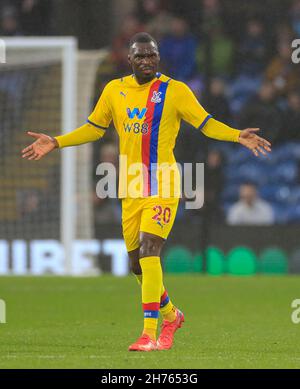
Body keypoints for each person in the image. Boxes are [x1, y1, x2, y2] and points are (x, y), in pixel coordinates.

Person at [21, 32, 271, 352]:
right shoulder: (114, 90)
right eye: (140, 56)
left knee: (149, 250)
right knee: (136, 265)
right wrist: (56, 141)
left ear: (158, 57)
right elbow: (95, 128)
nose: (147, 60)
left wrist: (238, 136)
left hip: (164, 183)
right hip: (131, 187)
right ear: (130, 60)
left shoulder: (175, 91)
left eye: (151, 55)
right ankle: (171, 315)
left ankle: (149, 333)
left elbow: (205, 123)